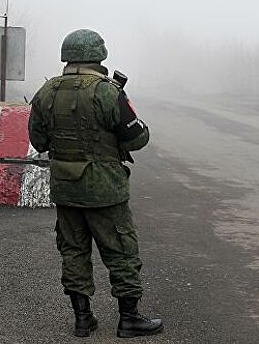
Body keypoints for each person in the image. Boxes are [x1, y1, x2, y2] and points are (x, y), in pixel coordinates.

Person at [28, 28, 163, 338]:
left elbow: (38, 141)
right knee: (121, 252)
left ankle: (82, 319)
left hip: (66, 189)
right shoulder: (108, 91)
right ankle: (129, 319)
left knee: (73, 251)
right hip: (105, 191)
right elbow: (138, 138)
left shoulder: (46, 92)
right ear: (99, 56)